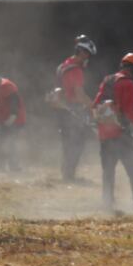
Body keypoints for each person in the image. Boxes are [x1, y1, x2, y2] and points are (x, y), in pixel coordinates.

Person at [91, 52, 133, 215]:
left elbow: (95, 106)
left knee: (108, 173)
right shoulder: (128, 84)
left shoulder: (107, 80)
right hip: (120, 137)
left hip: (104, 135)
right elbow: (131, 114)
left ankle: (107, 208)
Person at [53, 34, 97, 181]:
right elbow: (79, 94)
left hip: (62, 109)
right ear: (82, 52)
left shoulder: (63, 65)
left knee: (67, 142)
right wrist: (93, 106)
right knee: (77, 142)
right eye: (88, 55)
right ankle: (69, 175)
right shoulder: (76, 70)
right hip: (73, 110)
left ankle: (66, 172)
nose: (88, 59)